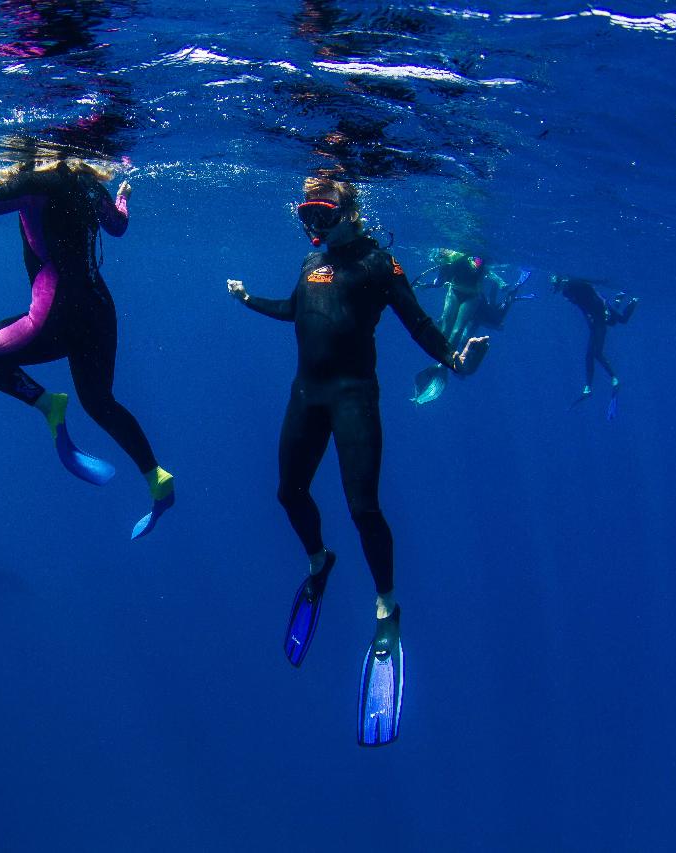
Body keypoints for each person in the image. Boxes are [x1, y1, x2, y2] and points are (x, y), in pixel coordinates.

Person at [226, 176, 488, 746]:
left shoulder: (378, 264)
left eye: (322, 213)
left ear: (350, 211)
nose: (314, 226)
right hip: (306, 395)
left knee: (363, 506)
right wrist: (249, 300)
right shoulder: (309, 264)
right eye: (307, 215)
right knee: (287, 493)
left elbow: (419, 322)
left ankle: (386, 607)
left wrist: (453, 360)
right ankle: (320, 561)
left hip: (353, 398)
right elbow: (295, 310)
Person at [0, 139, 174, 538]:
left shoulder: (37, 182)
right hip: (99, 310)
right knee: (100, 402)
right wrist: (124, 196)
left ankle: (46, 403)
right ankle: (155, 476)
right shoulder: (87, 183)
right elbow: (118, 226)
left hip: (54, 318)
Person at [410, 249, 531, 404]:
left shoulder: (469, 258)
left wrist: (500, 282)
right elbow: (439, 281)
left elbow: (486, 270)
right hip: (454, 291)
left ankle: (443, 365)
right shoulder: (451, 259)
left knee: (457, 330)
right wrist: (426, 285)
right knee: (446, 328)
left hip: (472, 296)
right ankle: (442, 364)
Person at [552, 274, 638, 418]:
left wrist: (604, 308)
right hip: (596, 319)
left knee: (600, 348)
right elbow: (583, 306)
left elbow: (592, 291)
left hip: (600, 314)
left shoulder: (574, 284)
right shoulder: (568, 291)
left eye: (557, 286)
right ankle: (590, 386)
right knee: (591, 353)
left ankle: (634, 299)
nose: (559, 290)